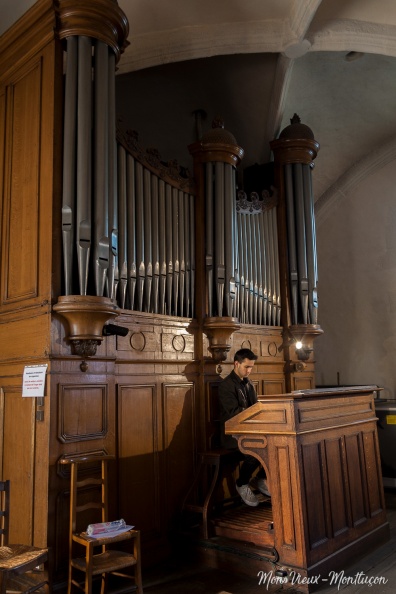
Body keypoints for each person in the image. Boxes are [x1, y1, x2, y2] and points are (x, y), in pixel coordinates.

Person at [218, 348, 270, 507]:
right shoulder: (226, 385)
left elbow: (255, 407)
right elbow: (234, 413)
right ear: (236, 363)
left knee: (275, 445)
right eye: (246, 367)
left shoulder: (249, 384)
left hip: (248, 431)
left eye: (251, 367)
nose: (249, 370)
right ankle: (241, 483)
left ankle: (260, 478)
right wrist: (254, 412)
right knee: (255, 450)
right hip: (232, 435)